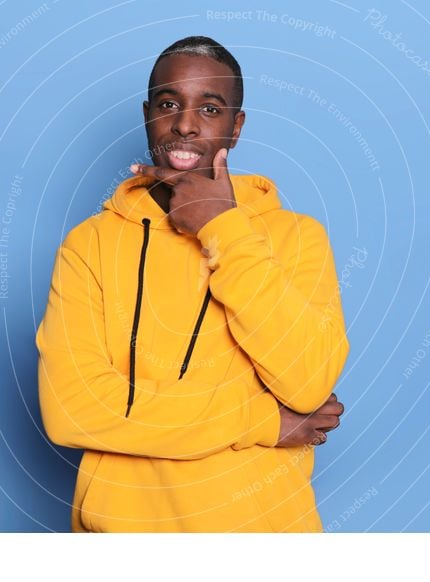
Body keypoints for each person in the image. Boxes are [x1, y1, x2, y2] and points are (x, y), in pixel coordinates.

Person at [36, 36, 349, 532]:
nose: (184, 123)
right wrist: (263, 422)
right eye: (169, 104)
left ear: (236, 125)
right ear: (147, 114)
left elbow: (307, 381)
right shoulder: (91, 244)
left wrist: (221, 227)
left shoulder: (296, 238)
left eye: (209, 107)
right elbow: (73, 410)